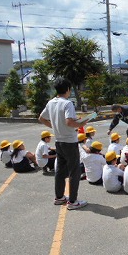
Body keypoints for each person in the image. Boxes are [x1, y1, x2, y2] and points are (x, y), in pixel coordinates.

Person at [39, 77, 88, 210]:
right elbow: (68, 122)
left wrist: (54, 127)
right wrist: (81, 123)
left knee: (60, 170)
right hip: (69, 142)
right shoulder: (67, 103)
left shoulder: (51, 103)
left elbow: (41, 118)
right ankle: (72, 201)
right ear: (67, 90)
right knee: (74, 171)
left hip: (59, 142)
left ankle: (59, 197)